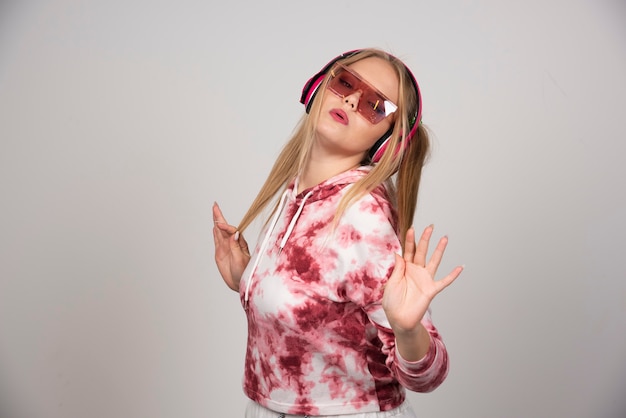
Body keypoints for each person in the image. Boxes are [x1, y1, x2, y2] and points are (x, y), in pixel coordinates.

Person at [212, 48, 464, 418]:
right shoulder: (296, 192)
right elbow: (317, 304)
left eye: (376, 106)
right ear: (317, 88)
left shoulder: (362, 215)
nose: (350, 98)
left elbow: (428, 376)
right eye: (345, 82)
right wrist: (248, 279)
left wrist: (408, 330)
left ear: (387, 141)